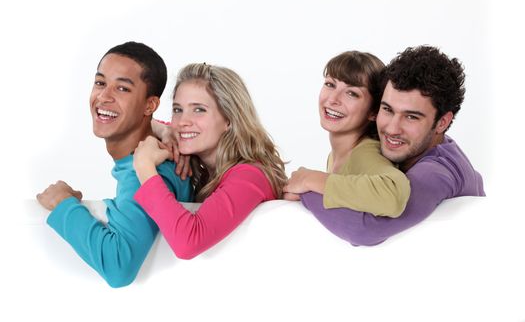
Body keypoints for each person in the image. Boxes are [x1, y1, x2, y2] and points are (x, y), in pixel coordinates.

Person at [36, 41, 192, 287]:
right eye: (100, 83)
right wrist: (164, 128)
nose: (104, 96)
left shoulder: (144, 174)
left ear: (150, 105)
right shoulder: (159, 152)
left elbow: (119, 266)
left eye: (122, 88)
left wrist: (63, 204)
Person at [300, 45, 485, 246]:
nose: (392, 128)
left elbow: (366, 229)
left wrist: (307, 187)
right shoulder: (404, 151)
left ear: (442, 122)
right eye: (387, 109)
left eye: (411, 117)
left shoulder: (435, 173)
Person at [132, 63, 287, 259]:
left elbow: (188, 242)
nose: (182, 122)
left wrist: (145, 168)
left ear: (229, 119)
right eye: (178, 110)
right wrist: (166, 130)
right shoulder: (208, 169)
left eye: (198, 110)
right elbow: (138, 120)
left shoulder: (251, 175)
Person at [283, 51, 410, 218]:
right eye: (330, 84)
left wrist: (311, 180)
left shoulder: (365, 153)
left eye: (352, 93)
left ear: (373, 111)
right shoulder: (336, 155)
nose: (333, 99)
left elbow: (393, 193)